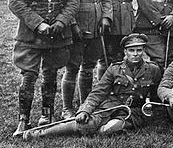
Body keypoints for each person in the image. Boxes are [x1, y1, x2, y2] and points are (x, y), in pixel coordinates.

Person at [22, 33, 162, 140]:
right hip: (111, 106)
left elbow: (157, 95)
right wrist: (84, 110)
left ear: (143, 50)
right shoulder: (115, 69)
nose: (136, 54)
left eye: (139, 50)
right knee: (85, 123)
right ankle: (39, 133)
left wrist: (153, 113)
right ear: (125, 52)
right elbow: (98, 92)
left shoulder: (153, 70)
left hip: (133, 112)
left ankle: (108, 127)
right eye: (132, 50)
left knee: (109, 129)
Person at [9, 0, 80, 136]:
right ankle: (23, 120)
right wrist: (38, 23)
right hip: (31, 34)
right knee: (28, 76)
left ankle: (46, 115)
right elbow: (15, 1)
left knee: (51, 74)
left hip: (57, 33)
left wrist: (61, 21)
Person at [62, 0, 113, 118]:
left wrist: (106, 17)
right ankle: (67, 108)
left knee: (89, 66)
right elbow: (65, 0)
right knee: (72, 67)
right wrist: (73, 24)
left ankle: (85, 104)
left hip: (96, 27)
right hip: (77, 27)